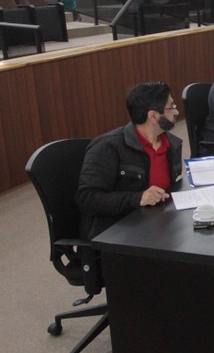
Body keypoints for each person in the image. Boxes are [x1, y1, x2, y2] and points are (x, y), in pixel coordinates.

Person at [76, 82, 182, 240]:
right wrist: (137, 198)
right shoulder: (108, 147)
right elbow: (87, 198)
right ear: (153, 116)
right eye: (171, 107)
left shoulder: (172, 145)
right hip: (116, 232)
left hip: (156, 223)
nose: (176, 112)